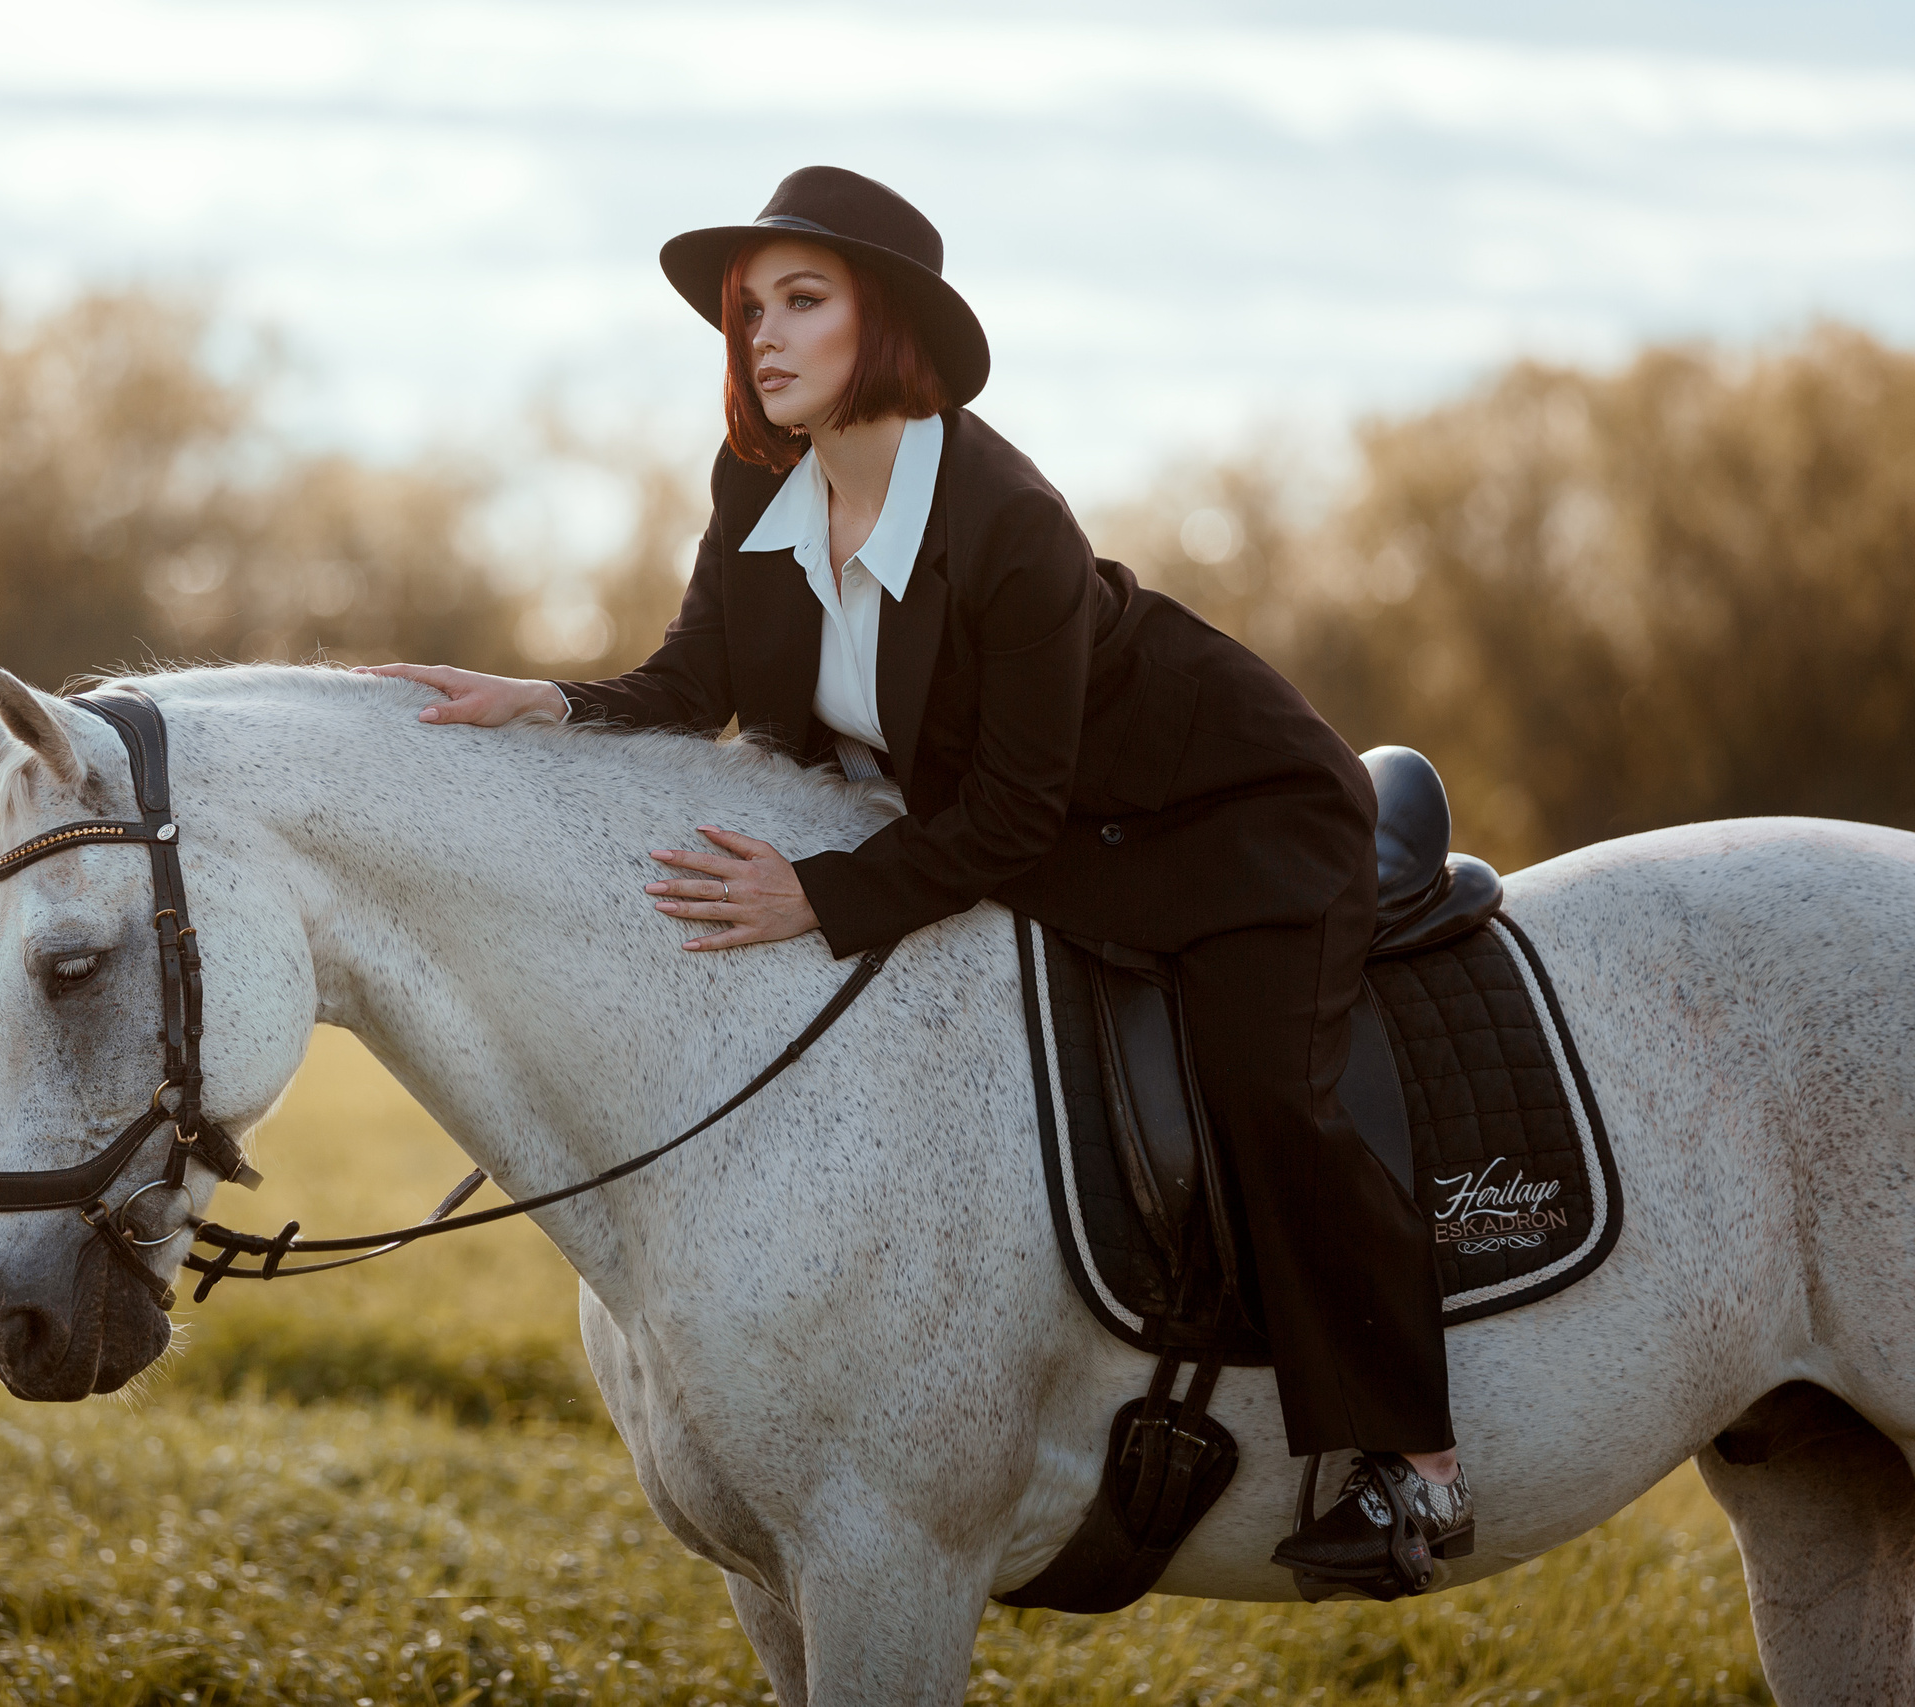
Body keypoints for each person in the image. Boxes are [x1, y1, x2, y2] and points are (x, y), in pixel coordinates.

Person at [364, 165, 1468, 1587]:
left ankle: (1417, 1469)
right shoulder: (755, 477)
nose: (760, 334)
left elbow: (1011, 811)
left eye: (801, 301)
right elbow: (697, 673)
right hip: (1054, 839)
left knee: (1266, 1085)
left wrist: (821, 898)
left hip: (1228, 822)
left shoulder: (1012, 521)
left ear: (888, 326)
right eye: (747, 306)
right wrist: (555, 704)